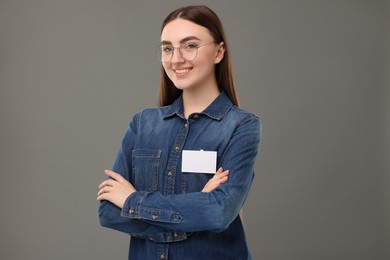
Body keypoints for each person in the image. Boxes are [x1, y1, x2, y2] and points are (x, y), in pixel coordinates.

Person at [97, 5, 261, 260]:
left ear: (219, 52)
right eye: (167, 48)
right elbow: (107, 212)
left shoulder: (241, 126)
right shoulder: (142, 124)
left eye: (190, 45)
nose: (176, 59)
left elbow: (218, 214)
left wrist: (132, 201)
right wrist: (196, 209)